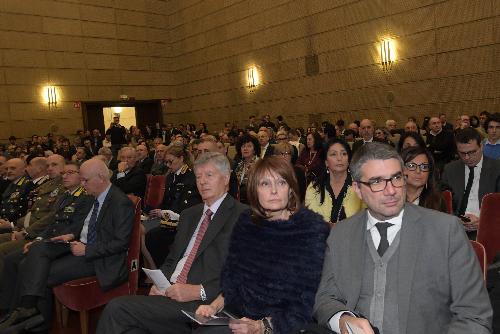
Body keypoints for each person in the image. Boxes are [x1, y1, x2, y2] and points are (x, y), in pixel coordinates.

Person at [313, 142, 492, 334]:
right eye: (377, 182)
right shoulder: (342, 234)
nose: (391, 190)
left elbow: (475, 317)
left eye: (396, 178)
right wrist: (341, 320)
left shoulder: (446, 231)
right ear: (357, 188)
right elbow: (326, 297)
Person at [96, 152, 247, 334]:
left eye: (209, 175)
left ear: (225, 178)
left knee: (117, 308)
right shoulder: (189, 215)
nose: (202, 181)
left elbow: (243, 274)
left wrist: (198, 291)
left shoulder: (244, 216)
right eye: (198, 176)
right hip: (171, 295)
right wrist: (161, 283)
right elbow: (172, 260)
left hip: (205, 303)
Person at [194, 157, 329, 334]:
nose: (274, 190)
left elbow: (306, 302)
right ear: (254, 191)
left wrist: (262, 326)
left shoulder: (310, 229)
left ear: (290, 189)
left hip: (284, 325)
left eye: (281, 182)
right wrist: (212, 307)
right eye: (265, 184)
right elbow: (232, 281)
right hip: (240, 315)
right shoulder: (246, 223)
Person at [0, 158, 135, 332]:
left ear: (101, 177)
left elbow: (121, 243)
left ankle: (34, 320)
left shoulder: (119, 202)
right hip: (79, 245)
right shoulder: (96, 195)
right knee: (38, 248)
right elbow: (88, 224)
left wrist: (86, 249)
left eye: (85, 180)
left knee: (36, 270)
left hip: (99, 258)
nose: (82, 183)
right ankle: (27, 312)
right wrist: (71, 235)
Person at [144, 144, 202, 268]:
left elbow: (186, 208)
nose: (168, 166)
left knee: (152, 236)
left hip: (181, 221)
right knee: (140, 229)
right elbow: (166, 201)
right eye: (166, 162)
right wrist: (155, 211)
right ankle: (154, 271)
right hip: (168, 217)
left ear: (181, 158)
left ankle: (165, 270)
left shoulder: (191, 177)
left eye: (171, 162)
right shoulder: (171, 176)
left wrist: (163, 212)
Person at [441, 128, 500, 239]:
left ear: (482, 146)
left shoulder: (497, 169)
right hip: (455, 229)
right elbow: (442, 203)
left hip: (489, 229)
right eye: (462, 153)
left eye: (472, 152)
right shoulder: (450, 169)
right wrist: (454, 220)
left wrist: (484, 222)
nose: (467, 158)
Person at [305, 139, 364, 224]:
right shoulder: (314, 187)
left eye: (344, 154)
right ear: (326, 162)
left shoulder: (360, 186)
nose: (339, 158)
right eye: (333, 154)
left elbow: (367, 218)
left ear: (348, 161)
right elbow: (310, 220)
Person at [400, 146, 447, 212]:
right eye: (412, 166)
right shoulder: (392, 199)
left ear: (429, 172)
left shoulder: (437, 201)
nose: (418, 171)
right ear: (401, 169)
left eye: (424, 167)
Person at [233, 134, 260, 204]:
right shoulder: (237, 165)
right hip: (238, 201)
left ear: (254, 150)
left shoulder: (260, 164)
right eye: (243, 146)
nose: (245, 148)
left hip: (254, 201)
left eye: (249, 146)